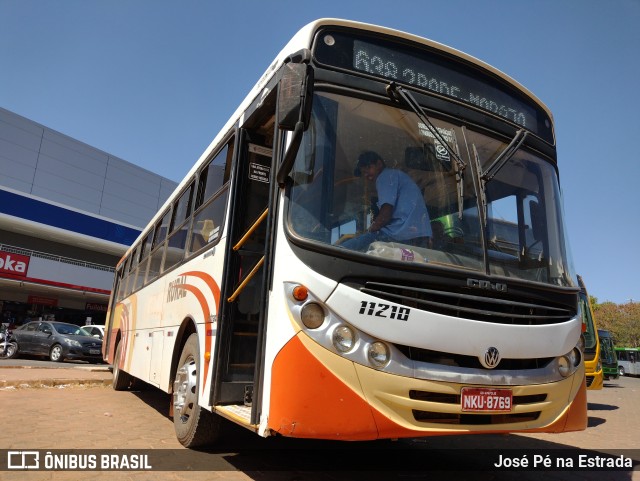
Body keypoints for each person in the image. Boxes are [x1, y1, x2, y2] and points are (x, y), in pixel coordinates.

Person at [340, 151, 431, 252]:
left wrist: (370, 230)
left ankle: (336, 252)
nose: (367, 175)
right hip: (419, 234)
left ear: (379, 164)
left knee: (351, 246)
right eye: (364, 173)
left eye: (368, 169)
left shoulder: (385, 176)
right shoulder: (397, 176)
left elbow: (385, 215)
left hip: (403, 233)